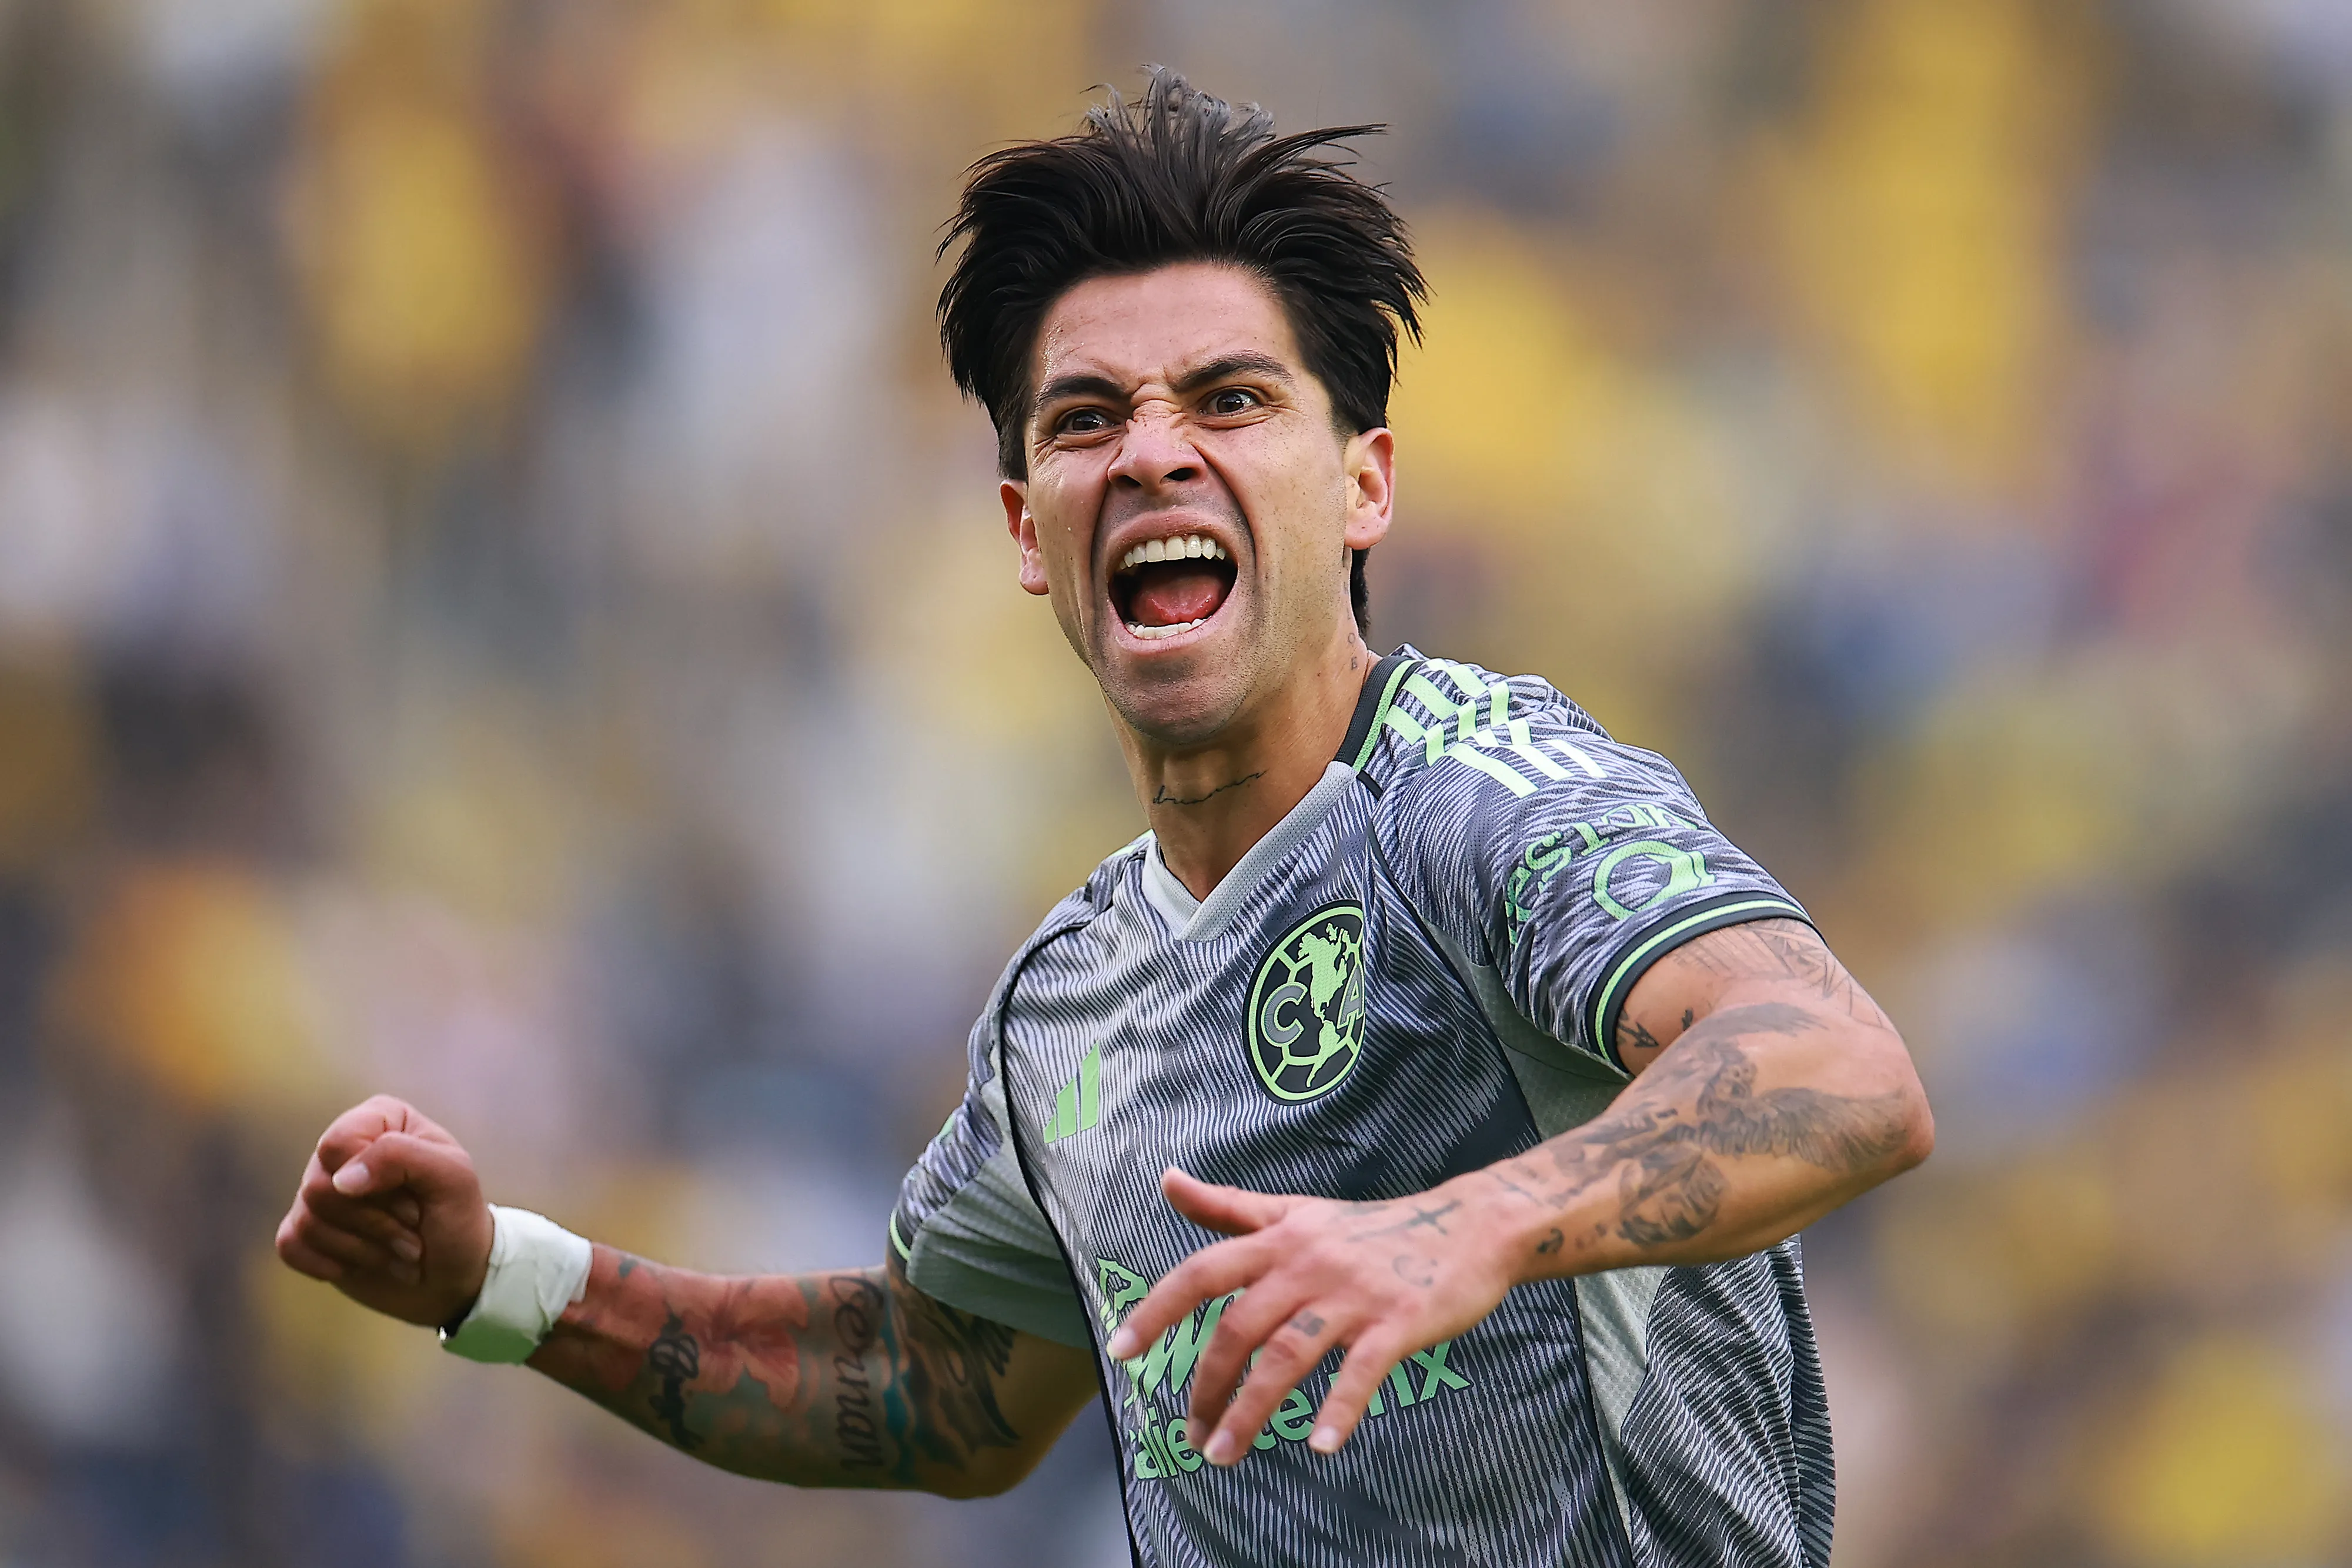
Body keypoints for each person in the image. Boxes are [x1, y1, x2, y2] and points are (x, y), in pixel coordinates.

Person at [277, 69, 1932, 1568]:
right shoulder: (1068, 1000)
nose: (1153, 453)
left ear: (1362, 483)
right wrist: (502, 1282)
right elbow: (935, 1389)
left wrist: (1466, 1229)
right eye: (1088, 420)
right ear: (1025, 523)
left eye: (1230, 401)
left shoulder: (1482, 801)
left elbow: (1836, 1064)